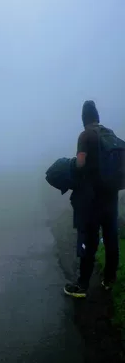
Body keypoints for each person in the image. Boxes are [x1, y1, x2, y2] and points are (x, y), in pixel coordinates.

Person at [64, 100, 120, 298]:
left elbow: (80, 162)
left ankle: (82, 286)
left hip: (92, 197)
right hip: (111, 196)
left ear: (84, 118)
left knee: (89, 239)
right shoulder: (109, 133)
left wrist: (74, 166)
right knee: (111, 237)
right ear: (97, 116)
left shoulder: (85, 135)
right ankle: (109, 280)